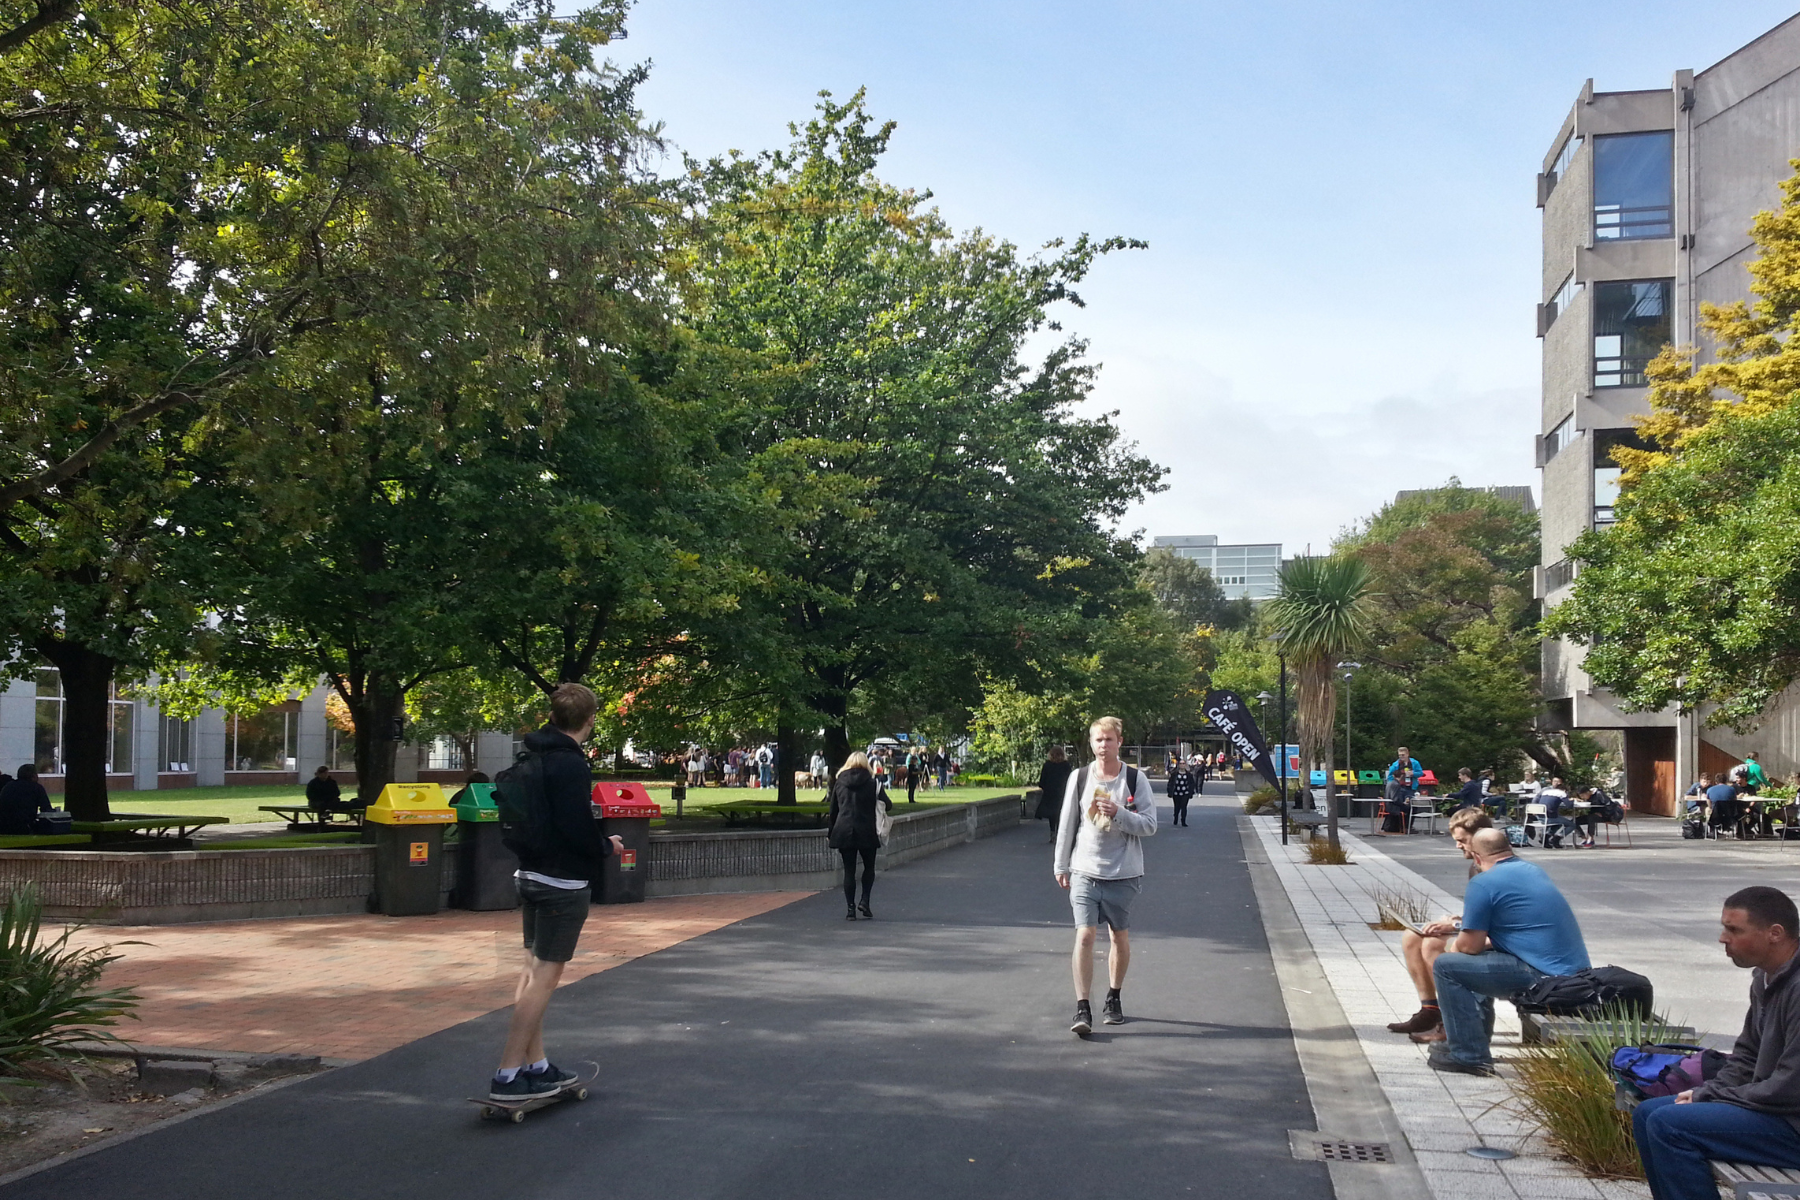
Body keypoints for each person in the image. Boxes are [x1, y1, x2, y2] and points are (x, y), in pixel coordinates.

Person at [489, 683, 623, 1103]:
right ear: (590, 720)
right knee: (546, 977)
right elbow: (576, 827)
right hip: (562, 882)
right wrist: (607, 846)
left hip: (528, 872)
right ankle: (508, 1073)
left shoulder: (533, 754)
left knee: (530, 973)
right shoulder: (570, 765)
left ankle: (537, 1064)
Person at [1633, 886, 1800, 1200]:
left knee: (1670, 1126)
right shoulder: (1765, 977)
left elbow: (1790, 1087)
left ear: (1774, 933)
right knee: (1647, 1115)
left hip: (1792, 1123)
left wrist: (1709, 1095)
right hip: (1779, 1113)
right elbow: (1746, 1055)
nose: (1723, 938)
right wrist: (1709, 1093)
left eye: (1734, 929)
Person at [1427, 827, 1590, 1075]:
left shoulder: (1483, 882)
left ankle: (1469, 1056)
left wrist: (1453, 947)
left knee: (1447, 966)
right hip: (1572, 974)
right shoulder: (1532, 870)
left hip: (1547, 979)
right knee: (1477, 962)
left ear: (1477, 857)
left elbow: (1468, 947)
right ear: (1509, 849)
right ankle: (1472, 1042)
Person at [1054, 716, 1158, 1036]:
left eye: (1109, 740)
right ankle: (1082, 1006)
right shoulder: (1080, 777)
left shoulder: (1135, 779)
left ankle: (1113, 997)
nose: (1103, 745)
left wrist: (1120, 813)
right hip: (1085, 868)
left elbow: (1150, 824)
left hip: (1123, 871)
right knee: (1084, 935)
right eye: (1098, 740)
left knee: (1118, 937)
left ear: (1120, 742)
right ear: (1091, 743)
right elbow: (1068, 822)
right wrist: (1061, 864)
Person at [1388, 807, 1495, 1041]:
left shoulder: (1493, 869)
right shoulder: (1476, 867)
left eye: (1462, 841)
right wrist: (1457, 921)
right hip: (1483, 933)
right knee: (1413, 936)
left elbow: (1494, 925)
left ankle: (1451, 1020)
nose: (1458, 846)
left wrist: (1455, 927)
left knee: (1432, 946)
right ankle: (1430, 1010)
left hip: (1497, 942)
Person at [827, 751, 891, 920]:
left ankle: (850, 909)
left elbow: (833, 810)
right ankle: (865, 901)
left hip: (844, 829)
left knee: (849, 871)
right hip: (867, 830)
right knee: (869, 868)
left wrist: (830, 832)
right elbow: (888, 805)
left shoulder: (839, 783)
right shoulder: (873, 783)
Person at [0, 765, 53, 835]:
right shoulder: (36, 788)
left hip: (3, 827)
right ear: (34, 776)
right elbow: (47, 810)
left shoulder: (8, 786)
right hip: (24, 828)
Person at [1035, 746, 1072, 841]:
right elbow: (1070, 779)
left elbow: (1042, 781)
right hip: (1062, 793)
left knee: (1052, 814)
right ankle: (1060, 833)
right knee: (1061, 813)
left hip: (1050, 793)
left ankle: (1052, 833)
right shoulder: (1066, 765)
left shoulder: (1047, 765)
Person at [1537, 775, 1572, 847]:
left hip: (1540, 816)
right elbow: (1569, 806)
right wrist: (1572, 800)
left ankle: (1546, 837)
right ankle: (1557, 839)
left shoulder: (1546, 792)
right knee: (1571, 825)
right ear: (1564, 790)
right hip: (1550, 818)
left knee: (1558, 823)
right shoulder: (1561, 793)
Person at [1709, 773, 1746, 838]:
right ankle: (1740, 833)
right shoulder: (1731, 789)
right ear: (1726, 781)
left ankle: (1713, 831)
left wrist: (1711, 808)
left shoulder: (1710, 790)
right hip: (1730, 814)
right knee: (1741, 812)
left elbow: (1709, 802)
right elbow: (1734, 800)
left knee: (1708, 810)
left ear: (1716, 781)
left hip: (1716, 814)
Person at [1166, 758, 1195, 827]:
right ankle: (1175, 818)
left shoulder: (1189, 775)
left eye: (1183, 763)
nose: (1182, 765)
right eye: (1181, 764)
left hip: (1185, 793)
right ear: (1178, 765)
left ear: (1185, 765)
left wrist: (1191, 792)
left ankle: (1183, 821)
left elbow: (1192, 784)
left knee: (1184, 806)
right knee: (1177, 807)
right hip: (1176, 792)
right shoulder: (1174, 774)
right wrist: (1169, 791)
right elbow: (1170, 783)